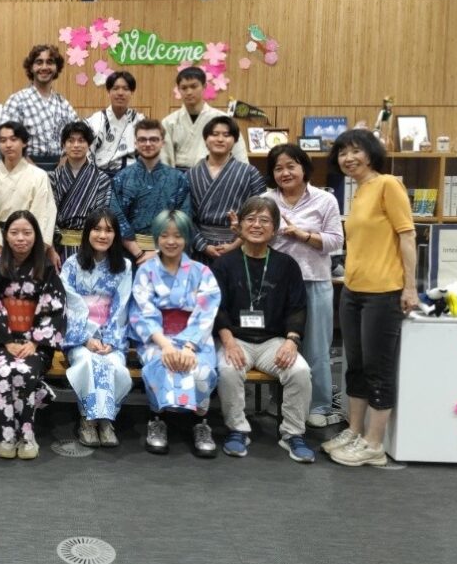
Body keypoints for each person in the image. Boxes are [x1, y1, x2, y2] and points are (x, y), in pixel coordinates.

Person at [323, 129, 417, 467]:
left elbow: (407, 236)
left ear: (371, 153)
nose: (348, 158)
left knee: (378, 369)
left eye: (355, 151)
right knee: (356, 367)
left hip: (383, 292)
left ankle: (374, 444)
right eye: (342, 153)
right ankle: (355, 431)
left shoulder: (388, 184)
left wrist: (410, 287)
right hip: (353, 291)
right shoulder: (359, 191)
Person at [212, 196, 315, 463]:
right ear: (239, 226)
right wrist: (228, 342)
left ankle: (293, 433)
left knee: (300, 371)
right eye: (250, 219)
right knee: (227, 369)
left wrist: (291, 341)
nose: (256, 225)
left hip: (274, 341)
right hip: (235, 338)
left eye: (264, 220)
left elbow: (297, 307)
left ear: (275, 229)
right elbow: (217, 308)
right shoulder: (224, 264)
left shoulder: (287, 264)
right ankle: (237, 429)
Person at [0, 211, 67, 460]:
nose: (21, 238)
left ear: (36, 236)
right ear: (6, 236)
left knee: (25, 372)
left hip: (35, 343)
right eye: (14, 233)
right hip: (1, 341)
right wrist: (6, 341)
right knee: (3, 372)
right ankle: (6, 435)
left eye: (27, 233)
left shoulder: (46, 268)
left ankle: (26, 433)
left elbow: (55, 308)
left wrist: (35, 341)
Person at [262, 143, 345, 429]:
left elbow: (335, 241)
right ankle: (279, 401)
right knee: (277, 345)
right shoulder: (266, 200)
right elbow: (257, 235)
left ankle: (319, 405)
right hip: (275, 284)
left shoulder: (325, 200)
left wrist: (303, 235)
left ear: (304, 168)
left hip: (314, 281)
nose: (285, 173)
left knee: (316, 348)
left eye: (291, 166)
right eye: (278, 168)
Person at [129, 210, 221, 457]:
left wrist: (189, 346)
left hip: (195, 339)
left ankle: (201, 422)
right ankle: (156, 419)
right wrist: (166, 345)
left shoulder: (201, 271)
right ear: (156, 238)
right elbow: (142, 312)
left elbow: (206, 312)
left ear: (187, 238)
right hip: (157, 338)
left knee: (200, 369)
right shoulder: (146, 271)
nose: (171, 241)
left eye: (178, 236)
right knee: (162, 363)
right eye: (165, 235)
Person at [60, 210, 133, 448]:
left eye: (108, 230)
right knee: (87, 362)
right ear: (87, 232)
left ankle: (106, 419)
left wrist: (110, 339)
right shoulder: (71, 265)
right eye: (97, 229)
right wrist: (85, 338)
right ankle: (89, 420)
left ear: (116, 235)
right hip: (80, 335)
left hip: (111, 335)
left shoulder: (124, 266)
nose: (102, 235)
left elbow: (122, 305)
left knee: (114, 365)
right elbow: (69, 304)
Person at [110, 119, 192, 265]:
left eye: (153, 139)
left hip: (169, 251)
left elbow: (184, 220)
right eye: (142, 139)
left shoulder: (178, 179)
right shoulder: (121, 178)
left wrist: (158, 252)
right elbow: (115, 216)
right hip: (128, 254)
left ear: (162, 142)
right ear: (135, 143)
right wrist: (138, 252)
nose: (148, 144)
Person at [0, 122, 58, 266]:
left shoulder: (39, 175)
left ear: (24, 142)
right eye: (3, 140)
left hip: (29, 243)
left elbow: (44, 213)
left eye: (13, 139)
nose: (8, 145)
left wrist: (30, 245)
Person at [188, 116, 265, 262]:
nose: (220, 139)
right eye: (214, 134)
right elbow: (185, 215)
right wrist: (203, 246)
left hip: (240, 246)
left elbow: (261, 212)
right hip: (200, 249)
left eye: (226, 135)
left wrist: (236, 244)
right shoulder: (190, 175)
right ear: (205, 139)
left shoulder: (250, 173)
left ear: (235, 140)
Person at [1, 44, 78, 171]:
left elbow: (76, 138)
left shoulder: (64, 105)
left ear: (56, 68)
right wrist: (35, 172)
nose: (44, 67)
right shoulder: (17, 101)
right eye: (39, 62)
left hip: (61, 169)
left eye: (50, 62)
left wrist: (61, 168)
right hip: (24, 167)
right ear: (31, 68)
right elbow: (7, 140)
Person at [160, 66, 248, 170]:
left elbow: (238, 152)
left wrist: (243, 173)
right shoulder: (169, 122)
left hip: (213, 173)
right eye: (184, 88)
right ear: (179, 89)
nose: (189, 92)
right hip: (179, 175)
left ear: (204, 86)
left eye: (194, 86)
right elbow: (164, 156)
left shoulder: (223, 119)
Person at [51, 121, 111, 260]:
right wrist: (51, 250)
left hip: (91, 248)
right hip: (59, 250)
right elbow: (48, 217)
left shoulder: (102, 179)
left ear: (89, 144)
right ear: (63, 145)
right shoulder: (53, 178)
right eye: (71, 141)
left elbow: (102, 216)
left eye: (81, 140)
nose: (76, 145)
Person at [86, 71, 144, 177]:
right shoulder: (95, 120)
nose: (120, 93)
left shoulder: (140, 121)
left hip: (132, 177)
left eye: (125, 89)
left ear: (132, 92)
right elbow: (87, 154)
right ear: (108, 92)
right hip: (100, 177)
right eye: (115, 88)